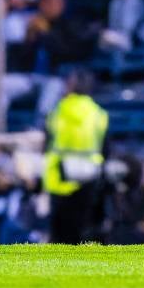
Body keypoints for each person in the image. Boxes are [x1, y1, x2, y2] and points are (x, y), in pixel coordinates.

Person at [43, 70, 109, 244]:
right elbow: (105, 148)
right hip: (88, 177)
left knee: (59, 233)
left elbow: (47, 142)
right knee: (82, 230)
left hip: (58, 177)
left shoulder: (58, 111)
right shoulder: (99, 114)